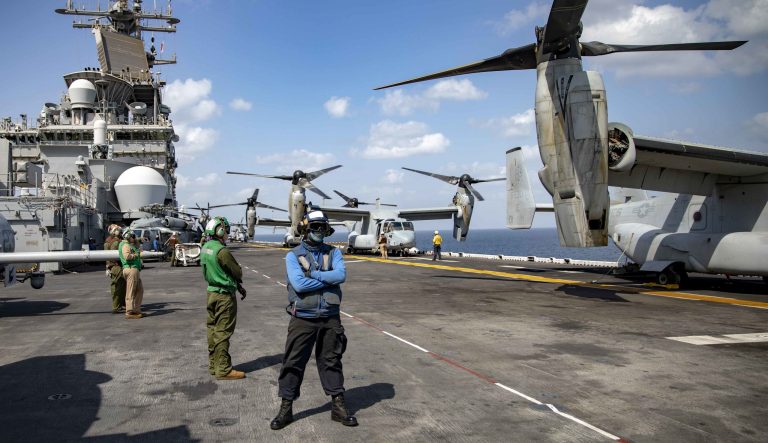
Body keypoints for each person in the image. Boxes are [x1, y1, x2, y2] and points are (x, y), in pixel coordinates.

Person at [271, 210, 358, 430]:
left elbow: (341, 276)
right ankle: (286, 409)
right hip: (303, 318)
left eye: (322, 227)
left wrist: (314, 275)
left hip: (330, 317)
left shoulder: (334, 252)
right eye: (315, 227)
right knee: (293, 362)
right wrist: (327, 280)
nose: (319, 231)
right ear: (306, 229)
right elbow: (299, 285)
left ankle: (338, 407)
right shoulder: (293, 256)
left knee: (332, 361)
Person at [201, 216, 247, 381]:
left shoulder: (206, 247)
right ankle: (223, 369)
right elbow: (237, 272)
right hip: (224, 296)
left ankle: (214, 365)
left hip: (211, 292)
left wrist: (238, 287)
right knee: (223, 331)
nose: (227, 233)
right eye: (225, 230)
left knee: (212, 329)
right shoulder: (222, 251)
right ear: (220, 231)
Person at [119, 228, 144, 319]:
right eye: (132, 236)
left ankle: (136, 309)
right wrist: (136, 255)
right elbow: (127, 256)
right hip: (131, 269)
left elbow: (136, 246)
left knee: (139, 290)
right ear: (128, 236)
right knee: (131, 291)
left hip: (134, 269)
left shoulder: (129, 244)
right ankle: (130, 311)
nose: (134, 238)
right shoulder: (125, 245)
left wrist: (138, 239)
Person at [104, 224, 126, 313]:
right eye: (118, 230)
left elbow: (106, 257)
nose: (120, 232)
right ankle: (116, 306)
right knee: (118, 287)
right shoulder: (116, 242)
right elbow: (114, 256)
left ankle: (120, 304)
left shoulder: (107, 241)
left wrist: (107, 267)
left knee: (120, 286)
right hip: (117, 267)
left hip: (112, 266)